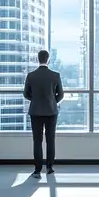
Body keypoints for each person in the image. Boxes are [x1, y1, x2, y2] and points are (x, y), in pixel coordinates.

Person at [23, 50, 64, 179]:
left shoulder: (31, 76)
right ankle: (50, 168)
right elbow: (61, 95)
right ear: (49, 59)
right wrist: (52, 101)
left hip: (35, 111)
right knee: (50, 140)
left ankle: (37, 170)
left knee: (37, 141)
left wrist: (35, 100)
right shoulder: (55, 75)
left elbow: (26, 94)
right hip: (51, 111)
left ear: (38, 59)